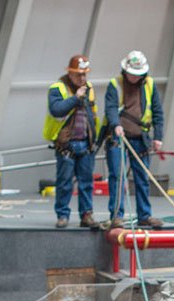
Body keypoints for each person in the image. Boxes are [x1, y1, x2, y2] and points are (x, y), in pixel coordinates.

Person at [104, 50, 165, 230]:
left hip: (141, 138)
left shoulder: (150, 85)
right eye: (131, 74)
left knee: (142, 178)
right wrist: (116, 124)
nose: (134, 77)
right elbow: (111, 108)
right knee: (117, 177)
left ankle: (144, 215)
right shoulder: (115, 85)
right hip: (119, 139)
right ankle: (117, 216)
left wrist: (158, 137)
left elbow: (157, 112)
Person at [44, 54, 100, 230]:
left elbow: (93, 114)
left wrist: (95, 138)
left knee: (86, 182)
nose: (82, 78)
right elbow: (56, 110)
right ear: (70, 73)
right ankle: (62, 214)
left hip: (85, 143)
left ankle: (86, 214)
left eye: (84, 75)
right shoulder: (57, 89)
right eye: (78, 75)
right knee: (64, 182)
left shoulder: (89, 88)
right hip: (66, 145)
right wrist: (75, 98)